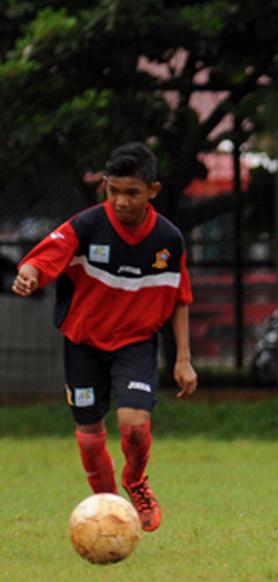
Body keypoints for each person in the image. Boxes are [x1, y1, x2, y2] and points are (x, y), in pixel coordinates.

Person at [11, 143, 198, 532]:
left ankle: (135, 482)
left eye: (132, 192)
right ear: (105, 188)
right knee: (90, 435)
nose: (121, 201)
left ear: (152, 191)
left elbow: (181, 299)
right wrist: (29, 274)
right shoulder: (86, 226)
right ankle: (108, 509)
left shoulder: (168, 239)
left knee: (133, 423)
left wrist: (183, 358)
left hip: (134, 343)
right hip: (83, 344)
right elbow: (43, 257)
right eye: (113, 191)